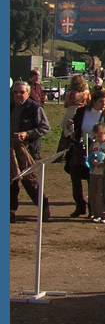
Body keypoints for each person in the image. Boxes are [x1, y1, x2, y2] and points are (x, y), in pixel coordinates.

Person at [67, 86, 105, 218]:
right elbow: (75, 128)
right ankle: (80, 205)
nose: (104, 104)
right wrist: (70, 127)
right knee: (75, 177)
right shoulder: (82, 112)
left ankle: (93, 209)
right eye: (101, 101)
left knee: (93, 180)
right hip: (80, 148)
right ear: (94, 101)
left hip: (97, 151)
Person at [10, 80, 51, 222]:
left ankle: (43, 205)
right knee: (11, 182)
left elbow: (45, 128)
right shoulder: (9, 106)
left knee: (30, 182)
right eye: (15, 92)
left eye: (21, 92)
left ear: (27, 93)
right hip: (10, 150)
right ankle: (10, 211)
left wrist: (26, 134)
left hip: (27, 150)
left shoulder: (34, 108)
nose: (18, 95)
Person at [88, 121, 105, 223]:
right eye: (96, 137)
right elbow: (90, 156)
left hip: (104, 173)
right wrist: (91, 162)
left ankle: (104, 214)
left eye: (100, 136)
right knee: (93, 193)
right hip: (93, 172)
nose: (98, 139)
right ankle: (96, 214)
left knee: (101, 194)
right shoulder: (93, 144)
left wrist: (101, 164)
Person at [58, 74, 91, 154]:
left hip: (71, 111)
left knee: (66, 130)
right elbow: (89, 102)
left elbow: (66, 104)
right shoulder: (86, 93)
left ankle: (61, 152)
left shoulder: (71, 93)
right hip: (82, 111)